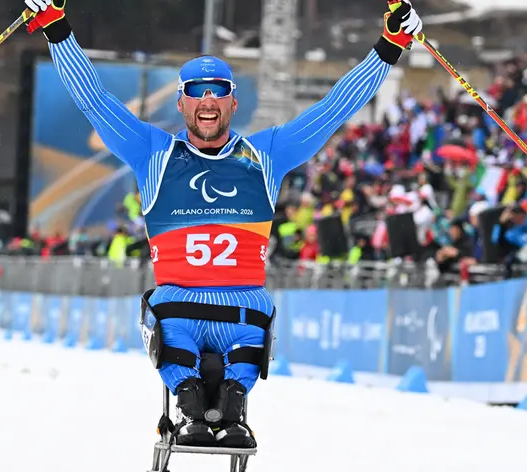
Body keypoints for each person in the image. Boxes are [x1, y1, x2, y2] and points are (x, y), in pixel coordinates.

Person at [24, 0, 423, 448]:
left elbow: (331, 110)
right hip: (191, 307)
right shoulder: (155, 152)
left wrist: (389, 47)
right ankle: (199, 400)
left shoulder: (264, 154)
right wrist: (57, 31)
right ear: (181, 103)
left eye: (218, 90)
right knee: (173, 318)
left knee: (179, 315)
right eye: (197, 90)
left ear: (234, 101)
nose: (208, 100)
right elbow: (94, 100)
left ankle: (218, 400)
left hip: (238, 309)